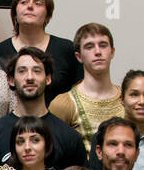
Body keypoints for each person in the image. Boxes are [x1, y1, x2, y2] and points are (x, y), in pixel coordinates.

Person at [0, 47, 86, 170]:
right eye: (22, 71)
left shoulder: (69, 137)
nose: (30, 77)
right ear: (11, 80)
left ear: (48, 78)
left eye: (37, 71)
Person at [0, 0, 81, 104]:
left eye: (38, 3)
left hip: (58, 121)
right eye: (24, 2)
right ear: (15, 12)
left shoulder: (66, 49)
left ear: (48, 14)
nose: (30, 6)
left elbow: (79, 96)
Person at [48, 23, 123, 151]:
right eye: (89, 47)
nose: (98, 52)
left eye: (103, 45)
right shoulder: (63, 104)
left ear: (112, 52)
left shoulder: (128, 99)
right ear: (79, 56)